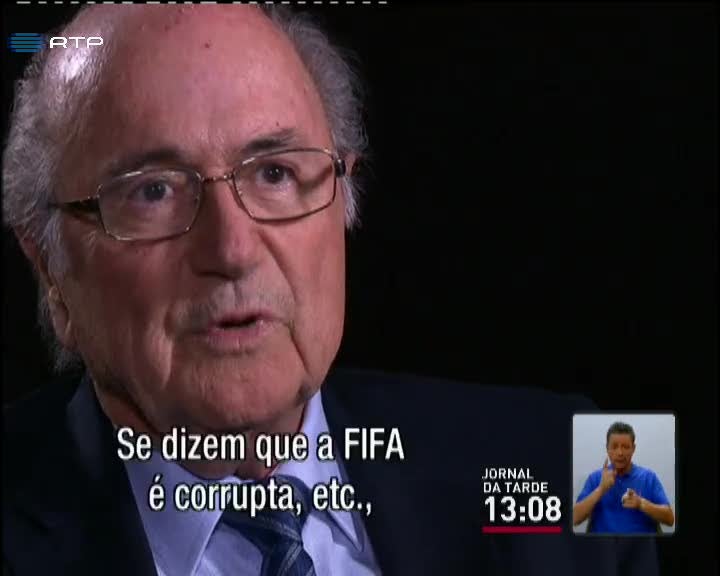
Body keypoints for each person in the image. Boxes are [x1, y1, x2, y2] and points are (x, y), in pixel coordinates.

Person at [2, 5, 660, 575]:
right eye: (153, 191)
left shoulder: (574, 458)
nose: (232, 251)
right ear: (50, 270)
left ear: (345, 199)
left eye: (275, 174)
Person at [573, 422, 675, 534]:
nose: (620, 453)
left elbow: (670, 519)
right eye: (614, 447)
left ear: (633, 448)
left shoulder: (648, 478)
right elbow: (575, 518)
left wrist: (641, 503)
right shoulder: (595, 478)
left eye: (625, 447)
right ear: (607, 448)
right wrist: (601, 489)